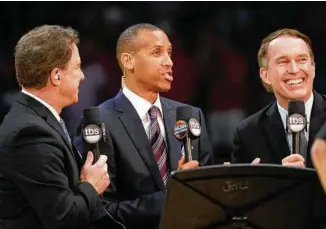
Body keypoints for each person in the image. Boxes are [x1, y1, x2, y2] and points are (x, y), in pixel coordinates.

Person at [74, 23, 214, 229]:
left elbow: (207, 195)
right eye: (157, 53)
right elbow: (100, 211)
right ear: (128, 60)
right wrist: (174, 196)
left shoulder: (191, 115)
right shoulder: (99, 122)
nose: (169, 62)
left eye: (169, 53)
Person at [0, 25, 111, 229]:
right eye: (77, 67)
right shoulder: (30, 133)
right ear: (56, 76)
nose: (82, 76)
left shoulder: (35, 118)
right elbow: (64, 217)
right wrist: (91, 186)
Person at [230, 28, 326, 228]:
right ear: (265, 75)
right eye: (282, 62)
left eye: (302, 60)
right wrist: (247, 187)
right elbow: (241, 212)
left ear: (313, 67)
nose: (293, 69)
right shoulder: (248, 132)